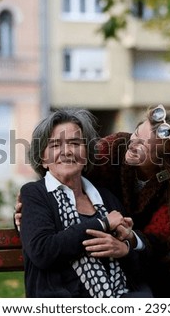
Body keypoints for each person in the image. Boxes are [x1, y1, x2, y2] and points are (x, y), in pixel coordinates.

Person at [16, 105, 170, 297]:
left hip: (145, 269)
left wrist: (129, 242)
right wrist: (28, 220)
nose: (133, 144)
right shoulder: (113, 150)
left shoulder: (169, 190)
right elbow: (43, 237)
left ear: (162, 161)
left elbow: (157, 246)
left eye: (144, 145)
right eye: (136, 133)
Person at [19, 108, 152, 298]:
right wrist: (102, 224)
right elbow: (43, 251)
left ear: (86, 152)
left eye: (75, 143)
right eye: (55, 145)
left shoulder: (106, 198)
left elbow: (139, 267)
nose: (66, 151)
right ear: (43, 159)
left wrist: (126, 247)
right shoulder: (35, 194)